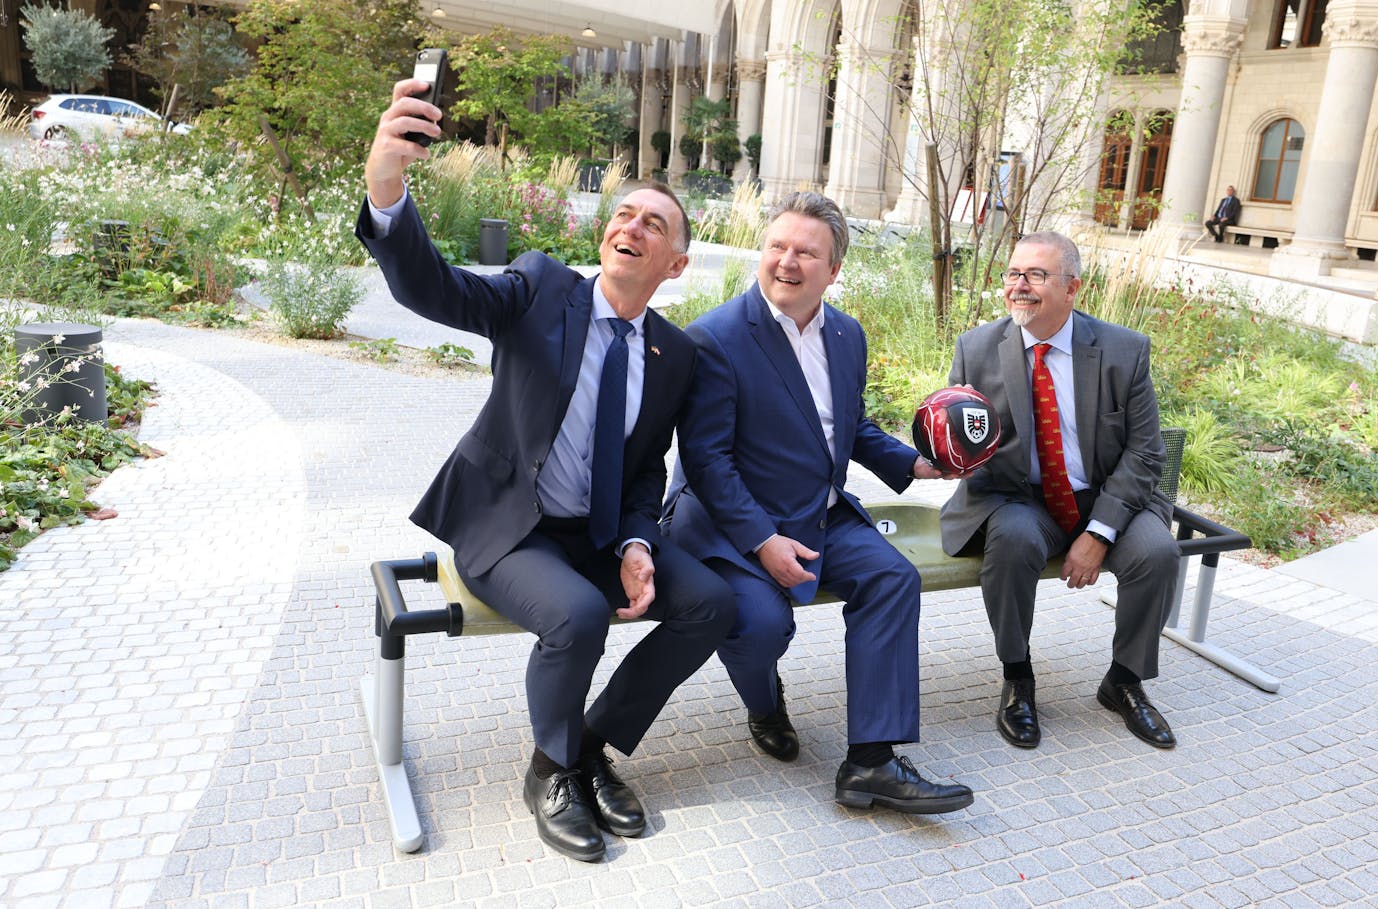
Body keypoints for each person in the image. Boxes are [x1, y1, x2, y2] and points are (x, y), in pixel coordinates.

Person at [355, 79, 735, 863]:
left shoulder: (675, 353)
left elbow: (642, 473)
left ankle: (589, 741)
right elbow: (437, 288)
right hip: (507, 528)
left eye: (653, 222)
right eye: (624, 212)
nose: (632, 224)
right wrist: (387, 187)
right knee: (577, 617)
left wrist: (636, 542)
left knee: (712, 605)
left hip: (595, 535)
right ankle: (552, 771)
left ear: (675, 262)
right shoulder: (541, 289)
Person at [663, 192, 974, 815]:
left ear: (833, 271)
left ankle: (871, 763)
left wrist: (912, 463)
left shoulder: (846, 334)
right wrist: (764, 542)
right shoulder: (716, 337)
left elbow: (847, 426)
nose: (787, 261)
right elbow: (707, 463)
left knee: (892, 579)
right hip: (733, 525)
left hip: (820, 512)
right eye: (777, 246)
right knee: (759, 626)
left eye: (807, 252)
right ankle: (763, 702)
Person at [940, 231, 1181, 751]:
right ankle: (1017, 678)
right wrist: (948, 450)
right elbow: (961, 433)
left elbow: (1145, 454)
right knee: (1012, 543)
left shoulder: (1124, 351)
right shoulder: (978, 348)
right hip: (1023, 498)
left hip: (1105, 494)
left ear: (1073, 288)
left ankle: (1123, 681)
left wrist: (1098, 532)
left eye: (1035, 275)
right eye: (1012, 274)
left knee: (1158, 553)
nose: (1018, 286)